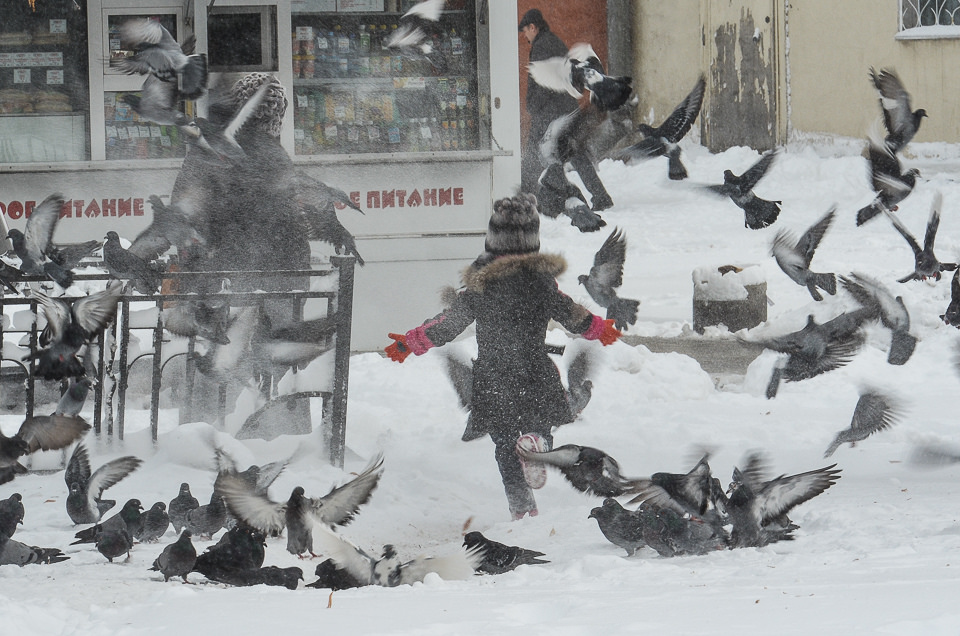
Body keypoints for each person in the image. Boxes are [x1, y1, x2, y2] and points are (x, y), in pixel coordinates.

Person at [384, 193, 621, 519]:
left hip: (494, 376)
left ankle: (522, 509)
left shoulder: (480, 287)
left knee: (505, 444)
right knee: (541, 423)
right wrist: (599, 328)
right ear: (534, 240)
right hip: (535, 370)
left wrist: (410, 343)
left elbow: (448, 323)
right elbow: (572, 314)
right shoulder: (542, 283)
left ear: (492, 240)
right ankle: (538, 442)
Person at [518, 9, 614, 212]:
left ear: (533, 27)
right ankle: (601, 196)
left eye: (525, 31)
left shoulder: (541, 46)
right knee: (575, 152)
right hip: (566, 108)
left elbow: (543, 84)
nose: (525, 36)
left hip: (549, 112)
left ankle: (524, 197)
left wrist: (532, 106)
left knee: (533, 153)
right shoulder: (554, 41)